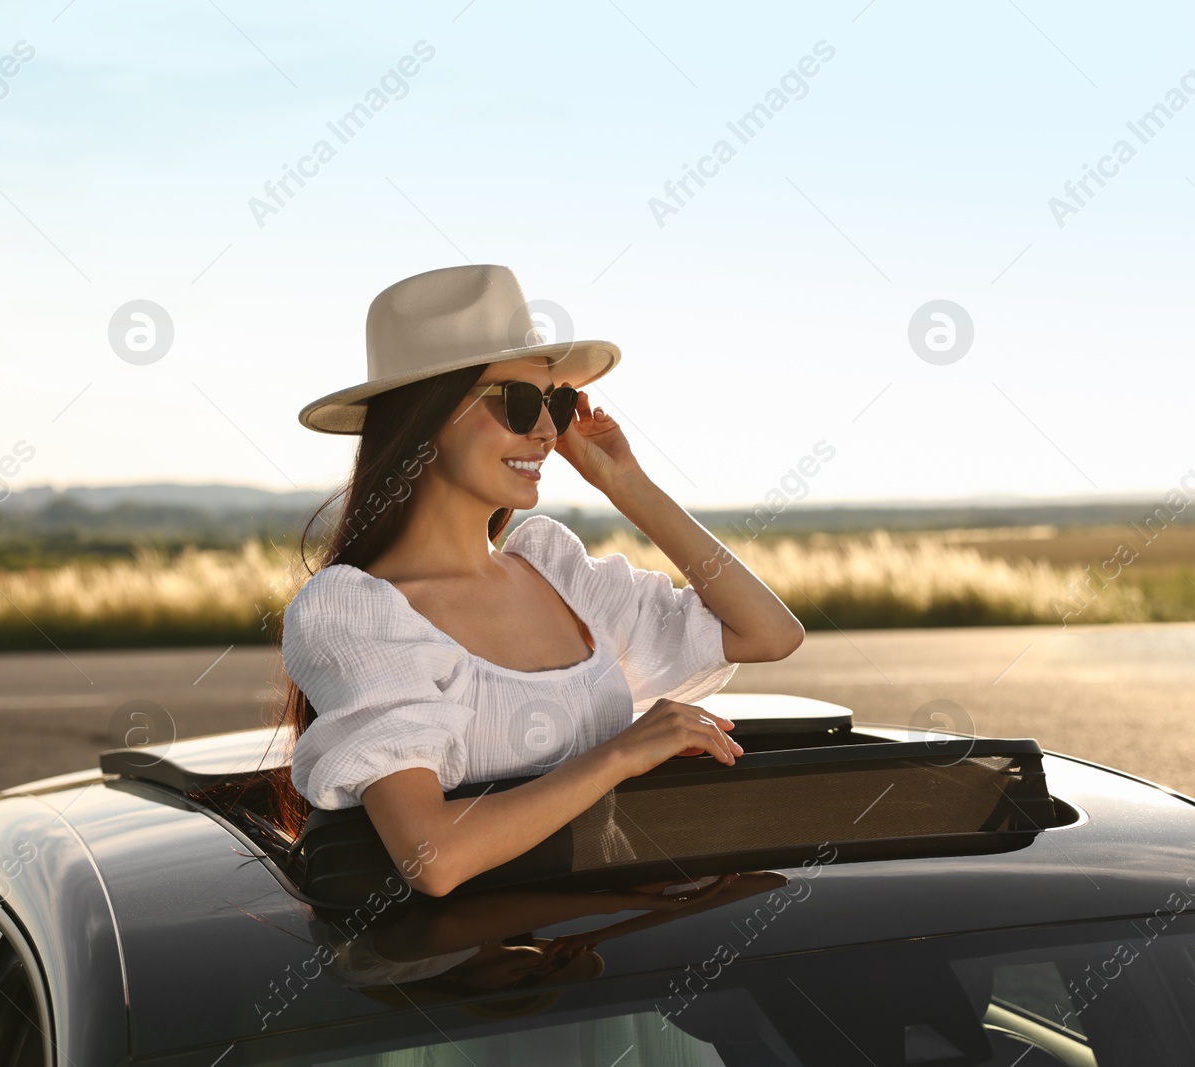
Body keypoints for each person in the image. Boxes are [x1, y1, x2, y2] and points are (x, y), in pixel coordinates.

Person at [273, 265, 805, 898]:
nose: (549, 431)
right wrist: (622, 753)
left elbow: (770, 632)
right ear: (429, 418)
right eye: (518, 402)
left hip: (612, 952)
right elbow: (433, 858)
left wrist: (624, 485)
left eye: (555, 402)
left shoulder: (556, 570)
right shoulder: (359, 614)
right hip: (475, 980)